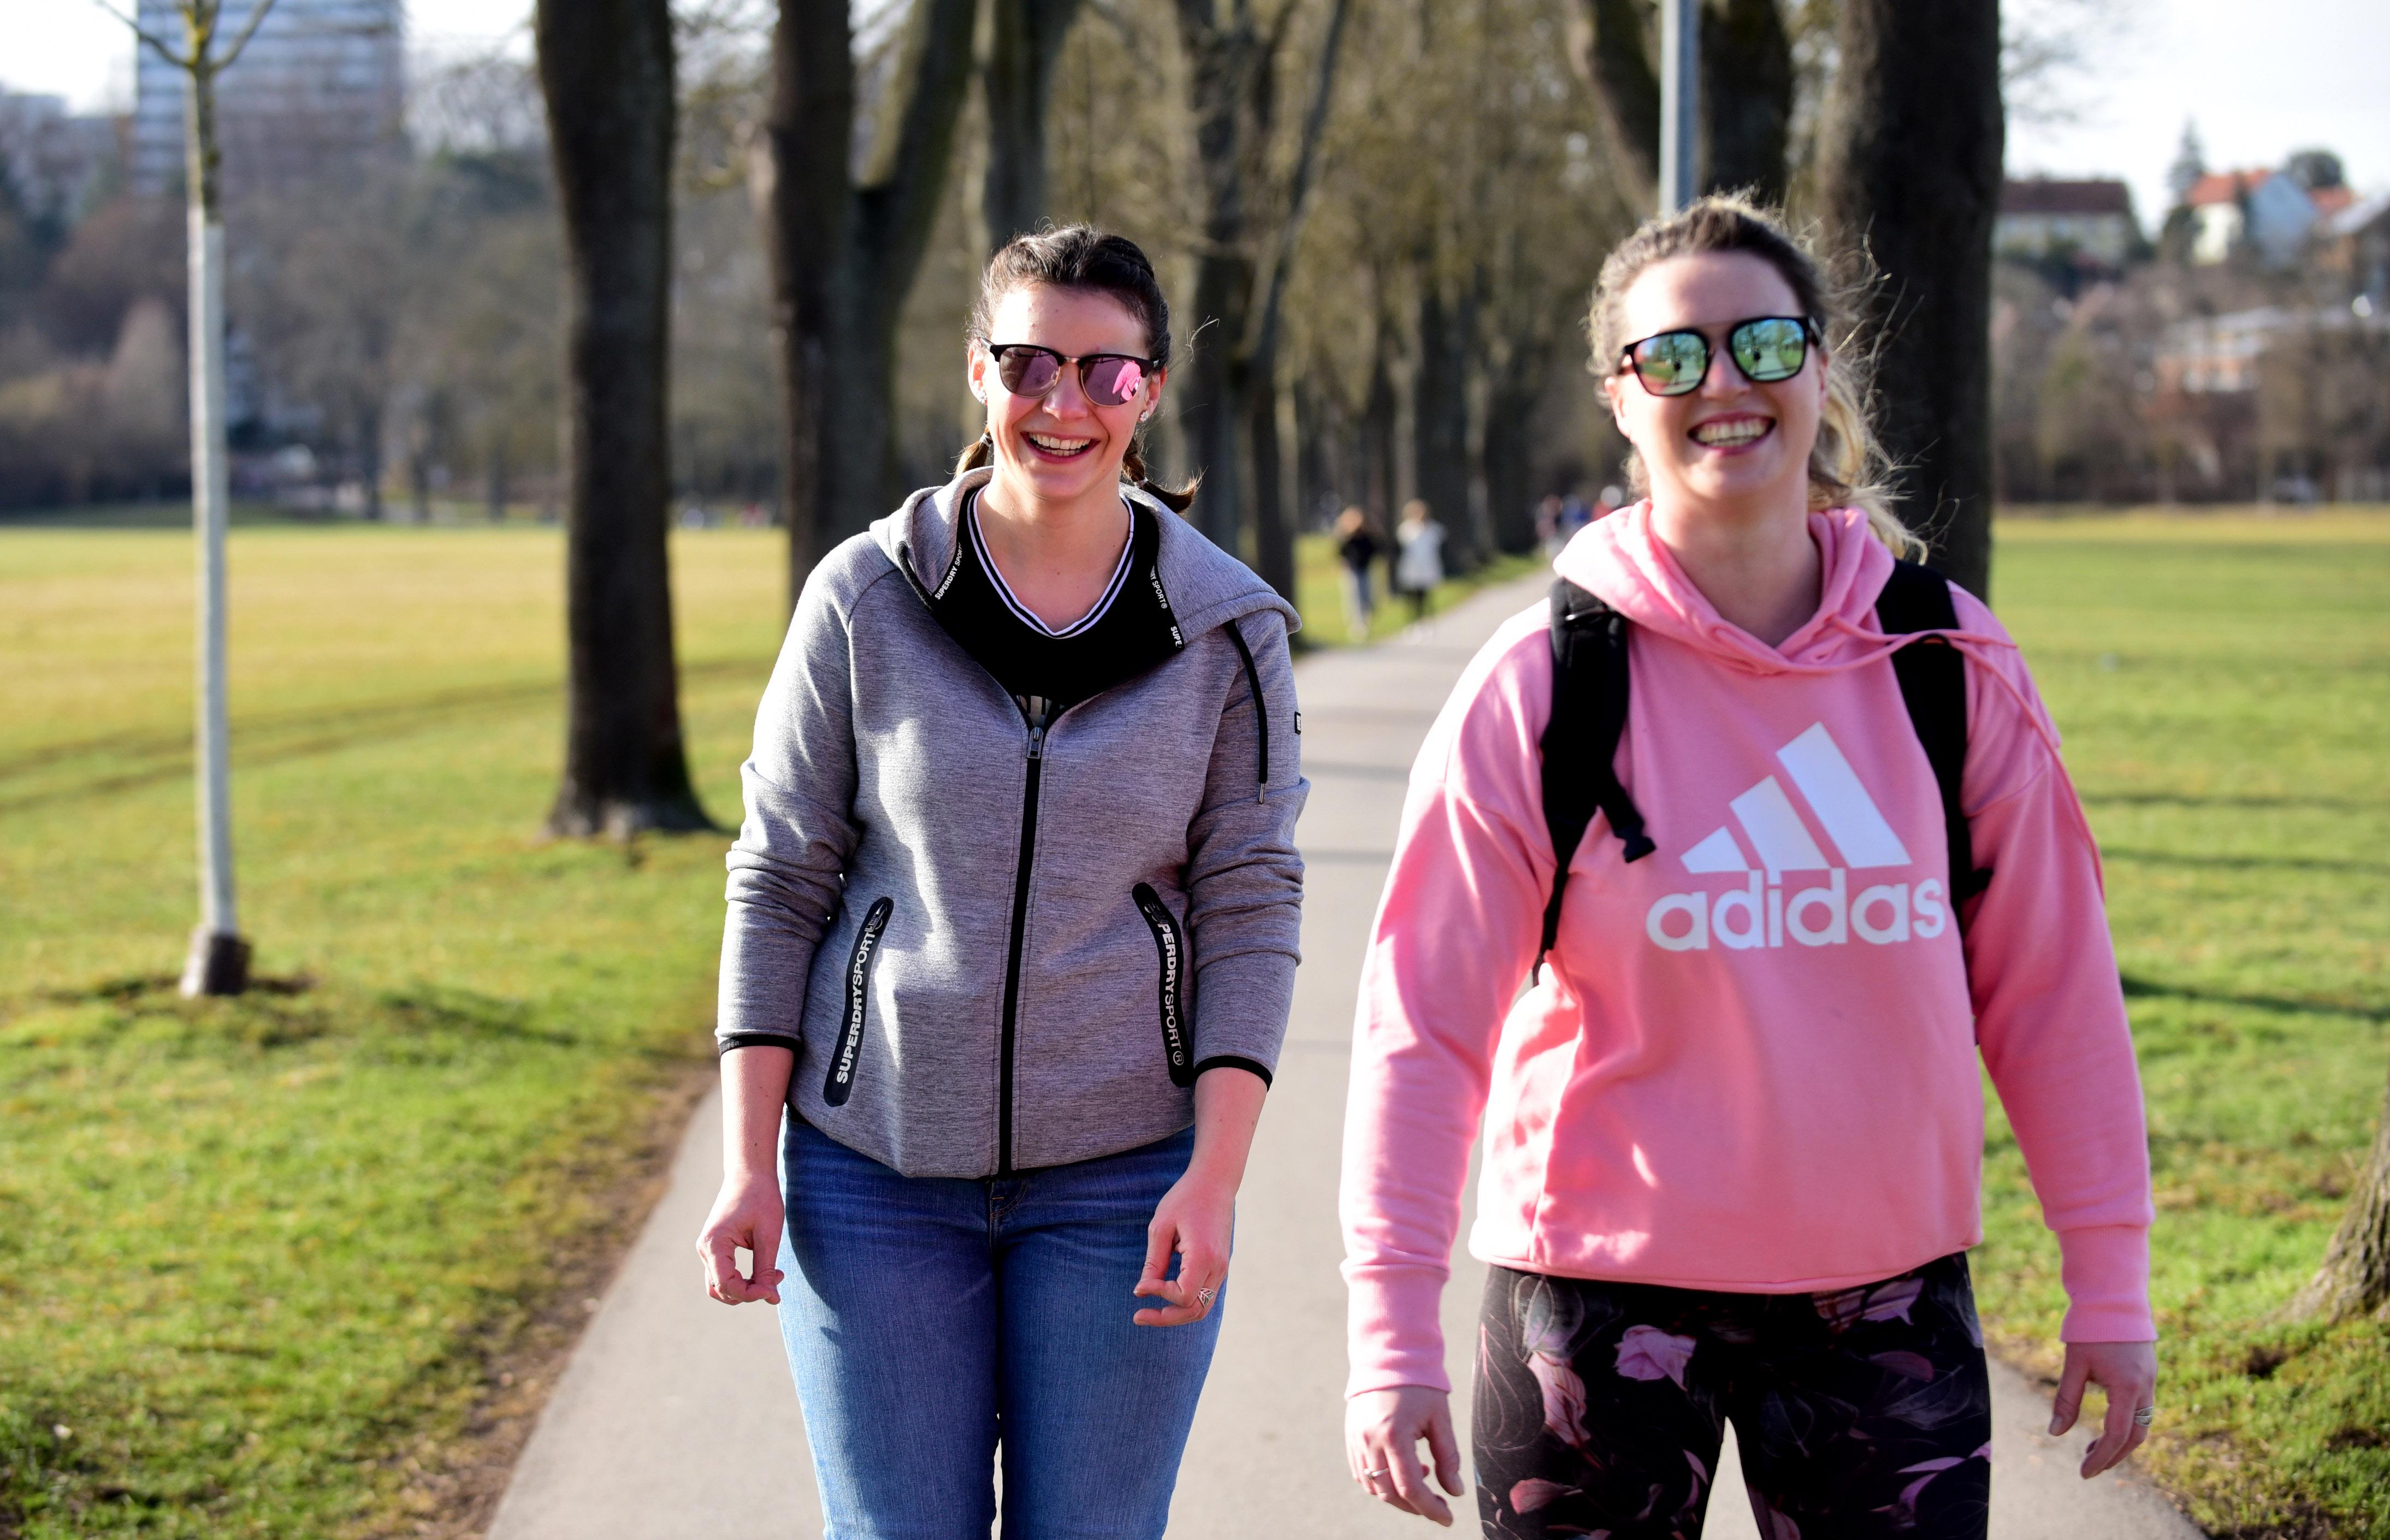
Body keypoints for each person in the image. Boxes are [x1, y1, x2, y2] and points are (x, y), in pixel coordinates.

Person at [1339, 196, 2156, 1537]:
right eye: (1673, 355)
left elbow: (2055, 990)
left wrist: (2109, 1282)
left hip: (1883, 1304)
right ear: (1620, 397)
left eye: (1764, 343)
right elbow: (1421, 1025)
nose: (1723, 382)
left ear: (1821, 370)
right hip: (1589, 1303)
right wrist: (1389, 1331)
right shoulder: (1544, 682)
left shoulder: (1946, 663)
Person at [699, 226, 1308, 1539]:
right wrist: (748, 1162)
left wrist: (1214, 1176)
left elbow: (1250, 904)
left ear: (1150, 391)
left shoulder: (1228, 632)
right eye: (1030, 364)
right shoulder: (864, 596)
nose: (1063, 403)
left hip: (1123, 1185)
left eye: (1106, 372)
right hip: (874, 1176)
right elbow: (781, 875)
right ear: (980, 371)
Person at [1393, 499, 1446, 622]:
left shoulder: (1433, 529)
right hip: (1411, 567)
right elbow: (1399, 549)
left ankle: (1427, 620)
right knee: (1412, 597)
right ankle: (1413, 621)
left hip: (1428, 567)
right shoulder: (1405, 529)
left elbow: (1441, 547)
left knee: (1426, 596)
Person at [1337, 504, 1383, 639]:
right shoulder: (1347, 537)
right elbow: (1341, 552)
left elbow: (1377, 549)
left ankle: (1366, 619)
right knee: (1355, 597)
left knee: (1367, 597)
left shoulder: (1367, 536)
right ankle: (1358, 625)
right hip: (1352, 571)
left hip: (1366, 570)